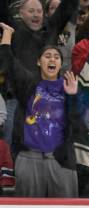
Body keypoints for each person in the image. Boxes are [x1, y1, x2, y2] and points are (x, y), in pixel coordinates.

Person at [0, 23, 78, 197]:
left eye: (56, 57)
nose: (52, 59)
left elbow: (79, 125)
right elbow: (8, 63)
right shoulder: (29, 84)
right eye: (47, 56)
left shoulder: (68, 87)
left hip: (61, 161)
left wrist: (72, 96)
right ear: (38, 61)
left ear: (60, 64)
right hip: (30, 159)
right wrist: (8, 34)